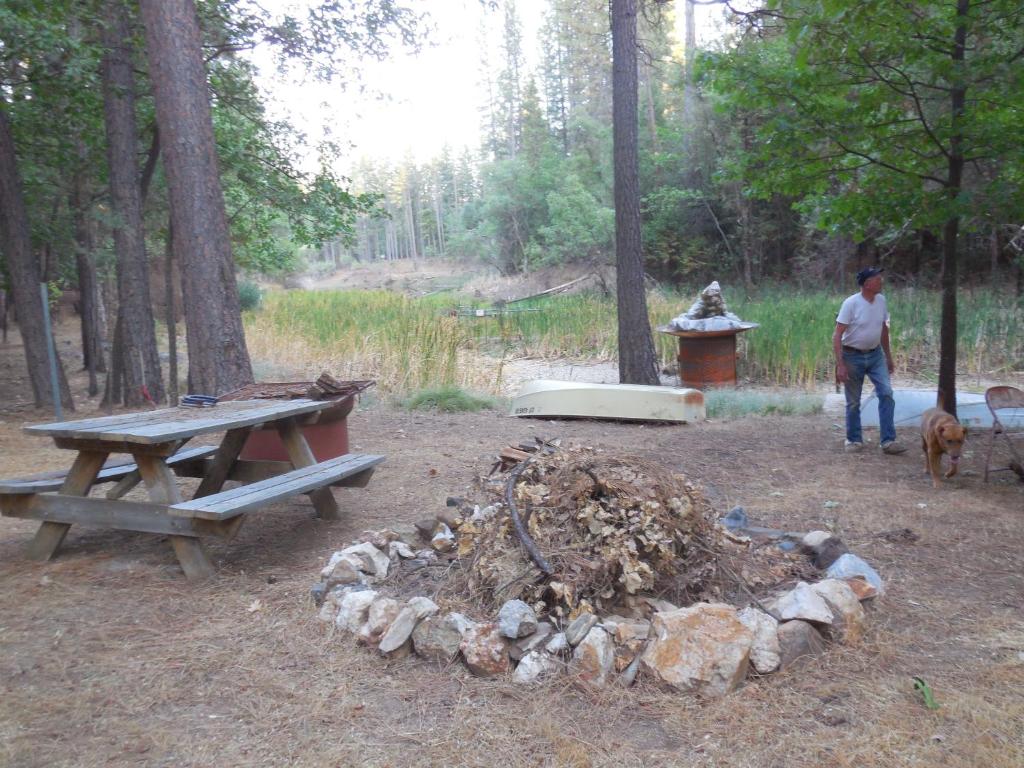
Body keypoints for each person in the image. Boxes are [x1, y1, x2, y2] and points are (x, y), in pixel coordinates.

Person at [833, 267, 906, 454]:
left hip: (875, 355)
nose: (881, 281)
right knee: (853, 401)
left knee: (886, 393)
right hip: (852, 356)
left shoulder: (881, 301)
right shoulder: (850, 303)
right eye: (877, 279)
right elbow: (837, 334)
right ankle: (854, 439)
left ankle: (888, 441)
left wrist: (888, 356)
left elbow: (883, 329)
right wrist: (840, 365)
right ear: (867, 284)